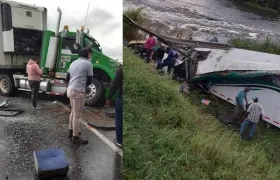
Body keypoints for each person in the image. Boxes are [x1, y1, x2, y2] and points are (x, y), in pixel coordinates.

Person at [66, 48, 93, 145]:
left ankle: (71, 130)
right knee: (77, 115)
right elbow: (90, 80)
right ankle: (75, 137)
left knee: (73, 112)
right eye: (90, 54)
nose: (91, 56)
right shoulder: (88, 64)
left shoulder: (73, 63)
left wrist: (70, 86)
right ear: (87, 54)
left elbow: (67, 77)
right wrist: (84, 88)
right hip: (78, 91)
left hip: (70, 90)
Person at [106, 65, 123, 147]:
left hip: (122, 97)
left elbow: (114, 85)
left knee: (119, 118)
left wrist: (109, 98)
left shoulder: (121, 69)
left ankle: (120, 141)